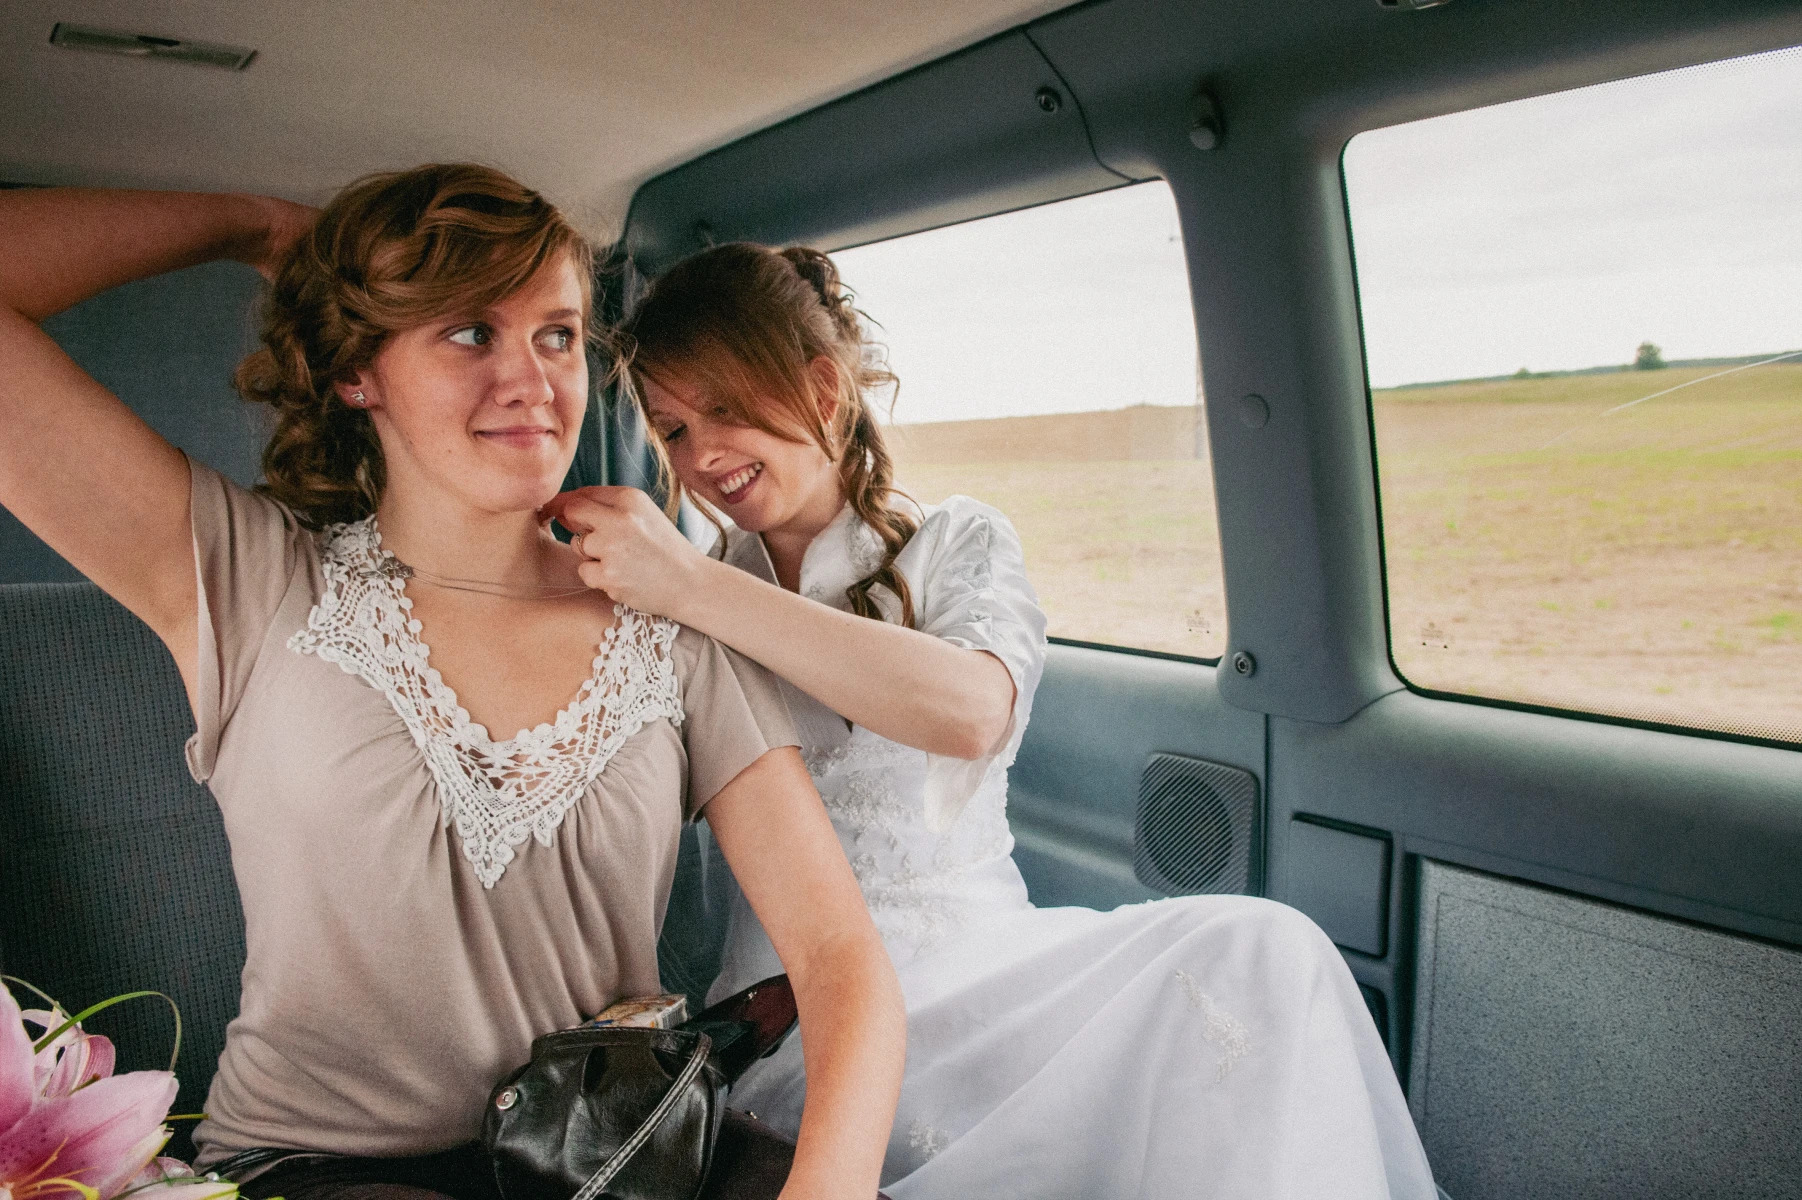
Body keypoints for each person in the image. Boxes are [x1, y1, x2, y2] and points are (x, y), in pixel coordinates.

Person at [0, 170, 904, 1200]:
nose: (532, 381)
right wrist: (261, 225)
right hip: (323, 1167)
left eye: (558, 334)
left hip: (610, 1159)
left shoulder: (677, 636)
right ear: (356, 369)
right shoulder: (244, 578)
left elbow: (838, 957)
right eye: (471, 331)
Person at [543, 242, 1442, 1198]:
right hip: (803, 1007)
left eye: (725, 407)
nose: (702, 455)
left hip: (985, 967)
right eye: (675, 430)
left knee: (1265, 952)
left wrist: (697, 586)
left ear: (823, 387)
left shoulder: (954, 541)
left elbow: (971, 711)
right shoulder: (684, 595)